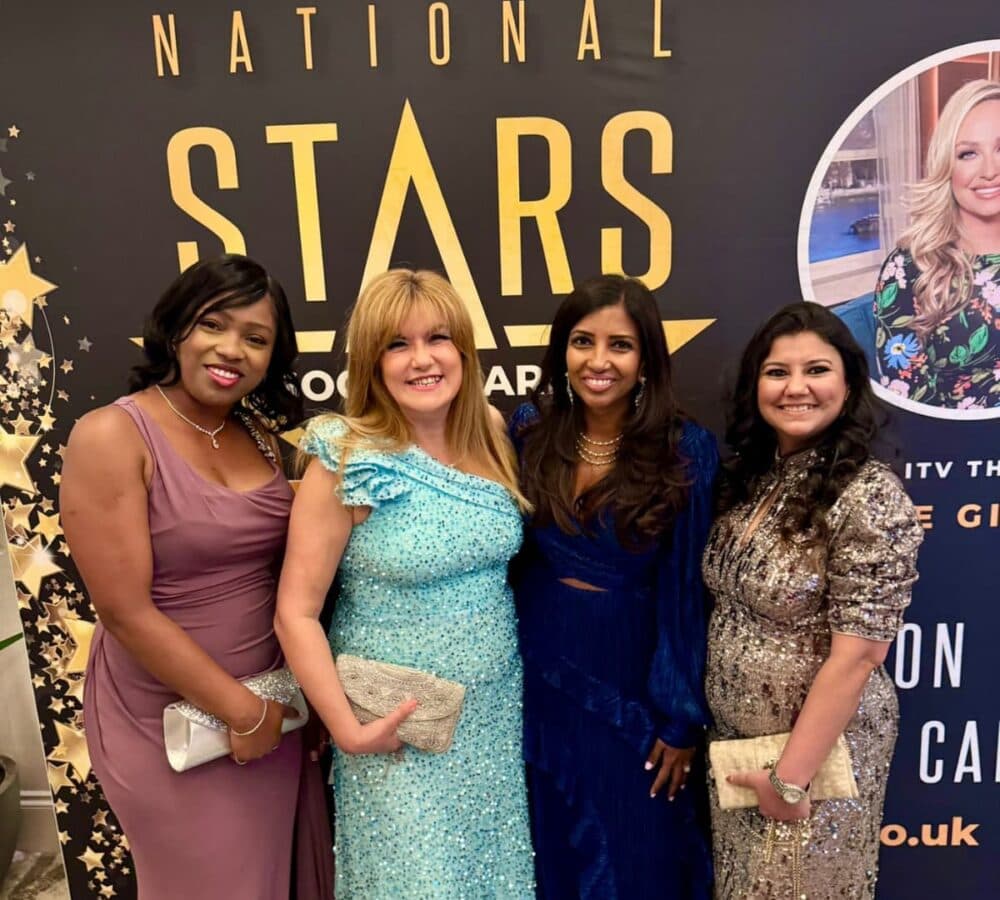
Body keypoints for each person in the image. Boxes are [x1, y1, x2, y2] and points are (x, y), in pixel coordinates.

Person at [60, 255, 333, 898]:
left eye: (256, 338)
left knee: (270, 880)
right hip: (167, 723)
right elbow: (124, 611)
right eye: (215, 324)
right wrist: (241, 712)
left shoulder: (262, 437)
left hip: (272, 706)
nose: (231, 349)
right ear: (178, 327)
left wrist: (297, 702)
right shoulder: (110, 436)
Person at [274, 269, 535, 899]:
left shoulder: (493, 434)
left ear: (464, 351)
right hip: (394, 728)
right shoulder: (345, 451)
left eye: (438, 338)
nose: (422, 359)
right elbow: (295, 613)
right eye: (397, 344)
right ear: (371, 361)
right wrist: (348, 730)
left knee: (490, 878)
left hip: (492, 718)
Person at [703, 302, 923, 898]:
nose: (795, 387)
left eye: (816, 370)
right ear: (755, 387)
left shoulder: (870, 497)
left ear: (848, 384)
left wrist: (792, 781)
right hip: (740, 752)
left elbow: (859, 656)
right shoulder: (756, 480)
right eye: (776, 372)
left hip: (817, 764)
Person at [509, 274, 717, 899]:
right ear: (560, 351)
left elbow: (687, 591)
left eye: (620, 345)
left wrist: (679, 720)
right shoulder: (529, 430)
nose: (598, 361)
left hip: (631, 681)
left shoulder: (685, 448)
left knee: (635, 852)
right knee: (554, 847)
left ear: (647, 358)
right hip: (536, 675)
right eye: (582, 341)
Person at [873, 78, 1000, 411]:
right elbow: (909, 401)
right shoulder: (909, 267)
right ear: (947, 165)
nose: (990, 170)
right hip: (959, 455)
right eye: (968, 153)